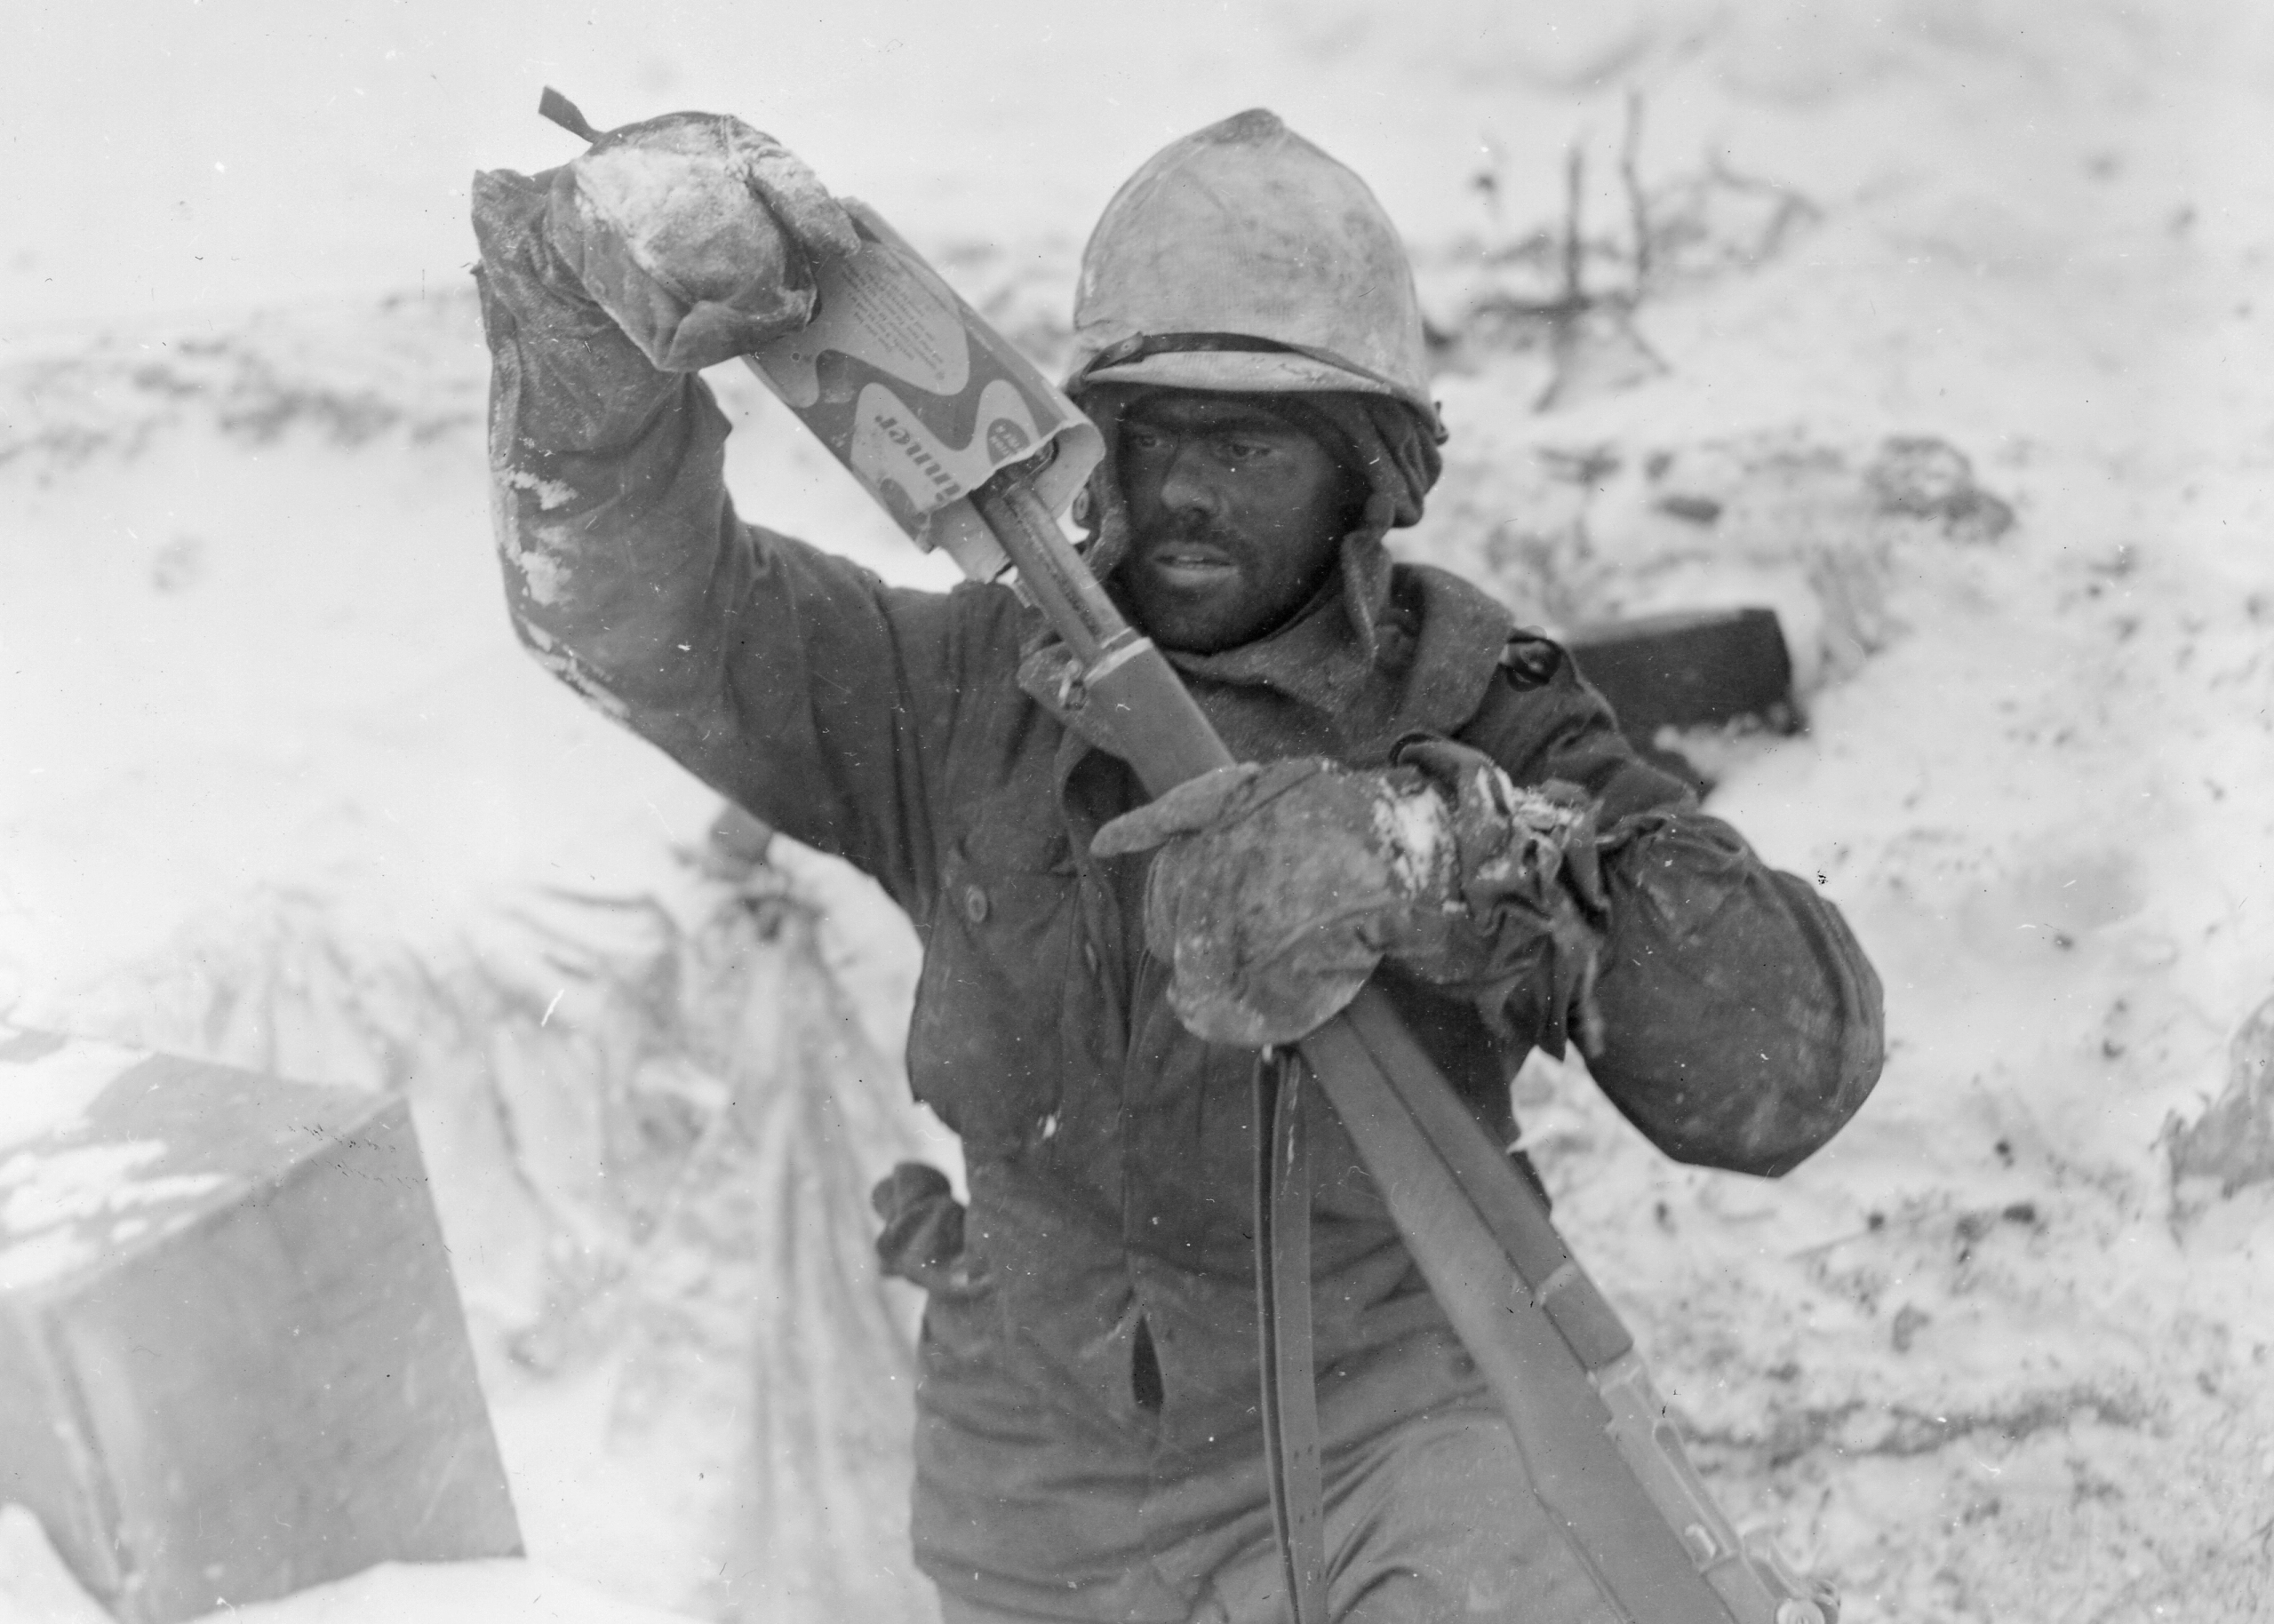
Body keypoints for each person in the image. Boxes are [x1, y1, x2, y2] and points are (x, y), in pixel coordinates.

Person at [470, 107, 1883, 1624]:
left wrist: (1434, 859)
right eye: (1155, 435)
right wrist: (576, 328)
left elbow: (1782, 1065)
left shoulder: (1481, 707)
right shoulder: (964, 693)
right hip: (1041, 1503)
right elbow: (624, 616)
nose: (1190, 491)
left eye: (1252, 445)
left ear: (1364, 476)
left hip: (1387, 1451)